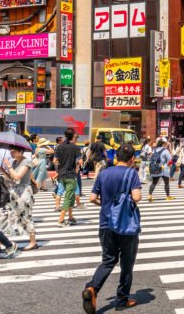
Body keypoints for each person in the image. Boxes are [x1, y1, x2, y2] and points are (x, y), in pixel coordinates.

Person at [81, 144, 142, 314]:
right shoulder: (132, 173)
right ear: (132, 159)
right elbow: (137, 197)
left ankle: (93, 287)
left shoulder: (104, 173)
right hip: (126, 225)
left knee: (108, 260)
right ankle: (122, 299)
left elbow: (93, 198)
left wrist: (107, 206)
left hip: (106, 223)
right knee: (127, 263)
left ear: (116, 158)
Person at [0, 145, 38, 252]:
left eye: (13, 152)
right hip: (13, 192)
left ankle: (33, 242)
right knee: (4, 216)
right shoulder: (14, 162)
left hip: (23, 193)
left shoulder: (26, 162)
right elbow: (12, 179)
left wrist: (8, 166)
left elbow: (18, 177)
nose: (11, 154)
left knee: (26, 217)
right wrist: (3, 171)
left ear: (20, 152)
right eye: (10, 152)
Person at [55, 128, 84, 225]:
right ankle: (61, 219)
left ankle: (71, 217)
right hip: (70, 175)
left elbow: (55, 161)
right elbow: (80, 161)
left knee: (70, 196)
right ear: (73, 136)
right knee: (68, 197)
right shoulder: (75, 148)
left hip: (61, 174)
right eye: (76, 136)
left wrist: (62, 165)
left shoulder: (59, 147)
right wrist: (77, 164)